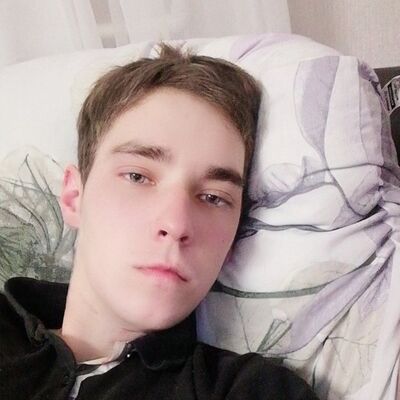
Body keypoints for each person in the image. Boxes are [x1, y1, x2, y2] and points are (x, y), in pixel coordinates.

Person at [0, 44, 318, 399]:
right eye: (137, 176)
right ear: (75, 197)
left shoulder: (250, 390)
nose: (177, 224)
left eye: (213, 197)